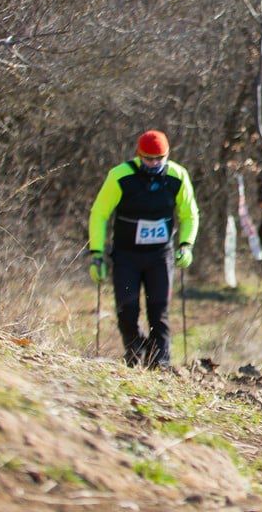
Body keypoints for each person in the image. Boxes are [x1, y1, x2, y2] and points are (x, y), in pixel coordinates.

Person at [88, 130, 199, 368]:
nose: (154, 164)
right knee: (126, 311)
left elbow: (189, 214)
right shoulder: (120, 176)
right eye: (148, 159)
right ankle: (135, 352)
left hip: (160, 255)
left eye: (159, 158)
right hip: (127, 256)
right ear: (139, 155)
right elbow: (99, 213)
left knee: (159, 312)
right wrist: (96, 254)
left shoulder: (178, 176)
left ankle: (161, 363)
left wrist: (186, 245)